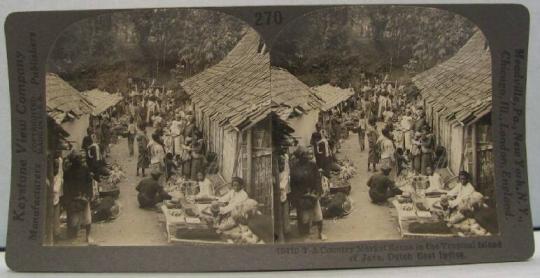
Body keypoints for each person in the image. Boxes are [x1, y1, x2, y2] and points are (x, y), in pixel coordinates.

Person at [289, 146, 326, 240]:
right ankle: (305, 234)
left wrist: (317, 192)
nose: (307, 156)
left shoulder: (312, 165)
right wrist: (298, 197)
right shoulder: (294, 168)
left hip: (313, 194)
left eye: (307, 154)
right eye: (304, 154)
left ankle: (320, 233)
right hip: (302, 196)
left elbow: (318, 179)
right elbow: (293, 184)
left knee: (318, 215)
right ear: (300, 156)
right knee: (304, 217)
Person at [63, 151, 94, 244]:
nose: (79, 160)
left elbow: (89, 183)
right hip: (73, 199)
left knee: (87, 218)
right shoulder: (68, 172)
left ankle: (88, 236)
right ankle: (73, 235)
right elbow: (66, 186)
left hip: (84, 197)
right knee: (73, 220)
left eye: (80, 158)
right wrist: (68, 200)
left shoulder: (85, 169)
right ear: (73, 161)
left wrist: (88, 196)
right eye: (77, 159)